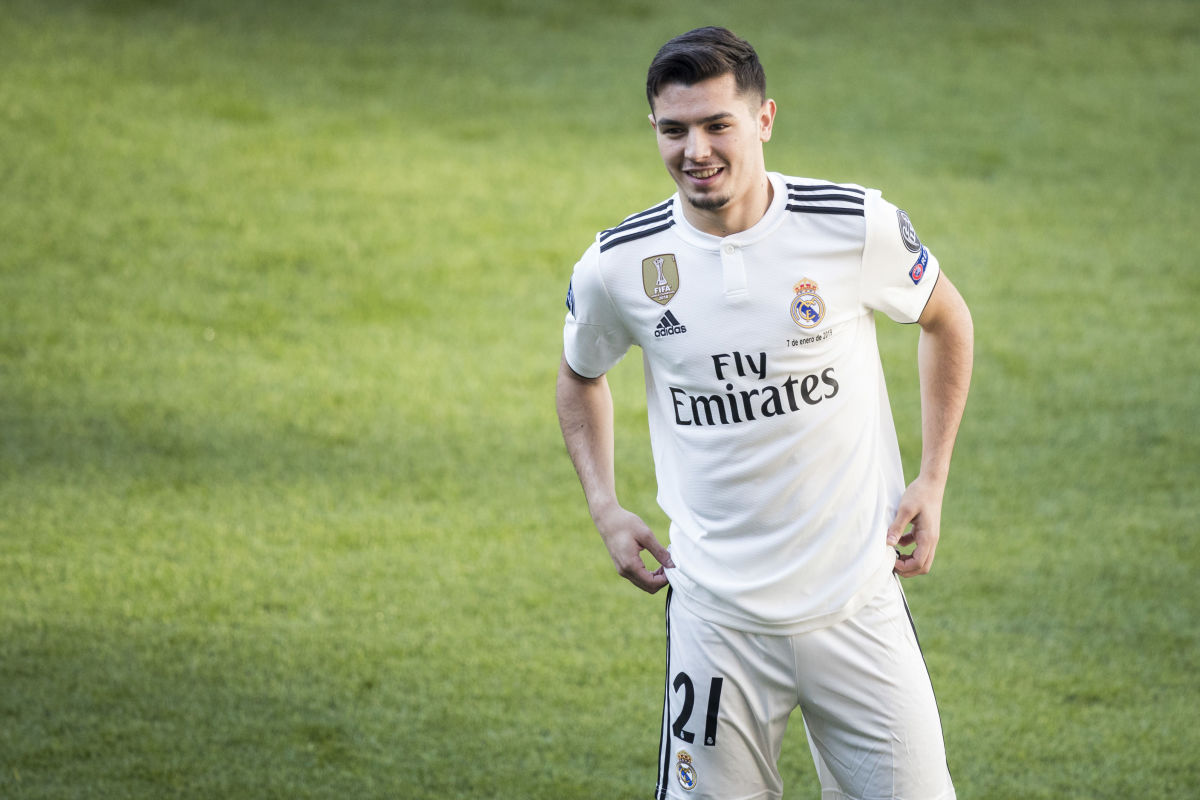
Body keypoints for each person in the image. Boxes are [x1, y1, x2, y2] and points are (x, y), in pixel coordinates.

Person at [556, 26, 972, 800]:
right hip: (717, 622)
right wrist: (603, 505)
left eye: (718, 124)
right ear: (654, 130)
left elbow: (946, 318)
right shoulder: (620, 265)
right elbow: (580, 375)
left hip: (856, 603)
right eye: (674, 130)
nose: (696, 150)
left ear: (764, 119)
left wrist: (934, 477)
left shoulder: (853, 225)